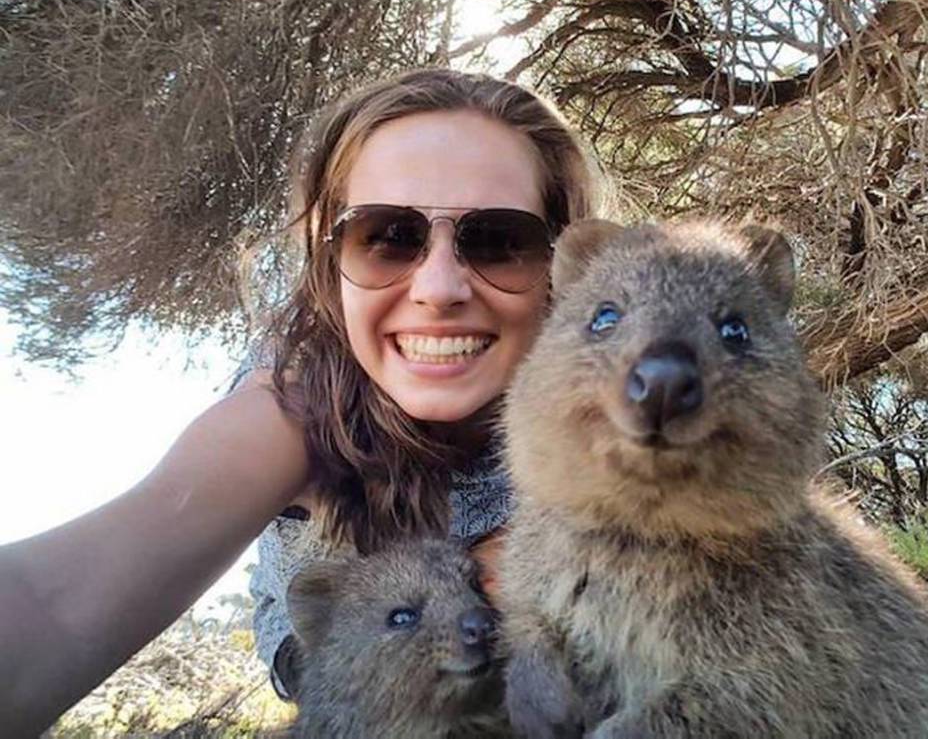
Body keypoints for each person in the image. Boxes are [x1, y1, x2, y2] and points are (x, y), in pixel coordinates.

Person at [0, 67, 602, 736]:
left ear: (560, 266)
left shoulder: (618, 388)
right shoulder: (297, 404)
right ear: (330, 258)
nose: (439, 287)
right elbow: (55, 604)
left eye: (498, 240)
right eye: (386, 236)